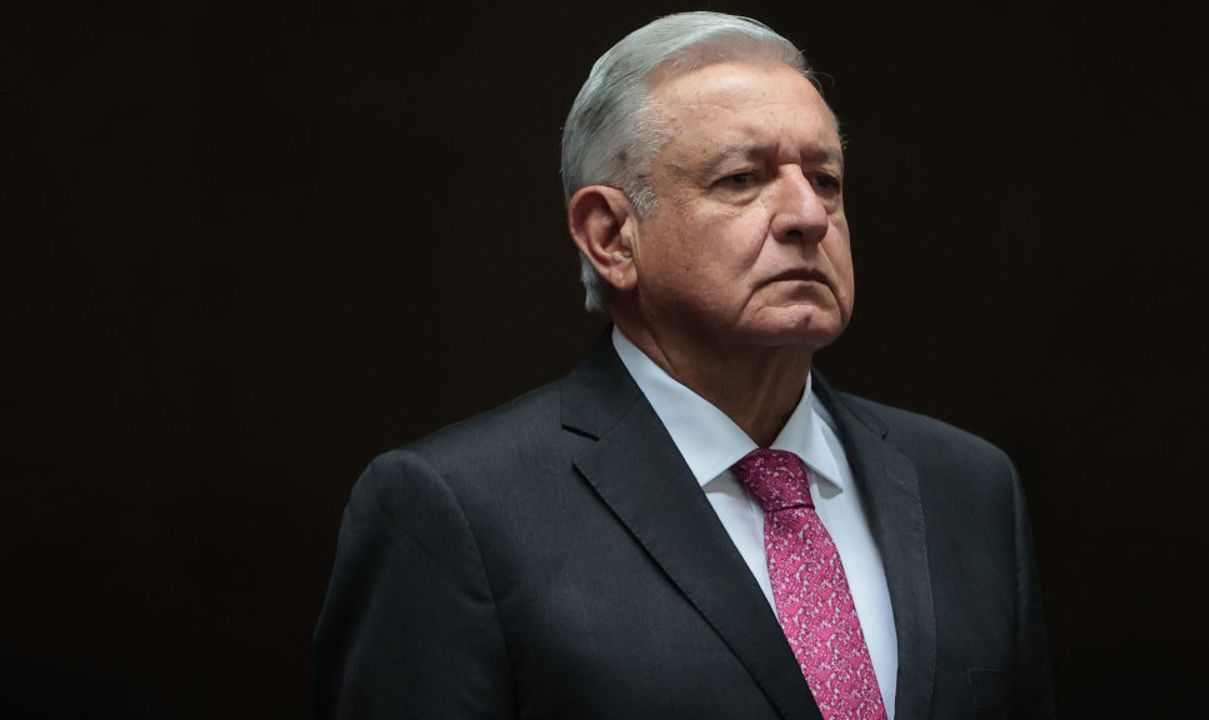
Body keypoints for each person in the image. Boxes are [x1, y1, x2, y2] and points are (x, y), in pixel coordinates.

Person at [314, 11, 1053, 720]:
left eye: (825, 178)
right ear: (611, 237)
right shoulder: (457, 512)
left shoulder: (966, 487)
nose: (807, 215)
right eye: (741, 179)